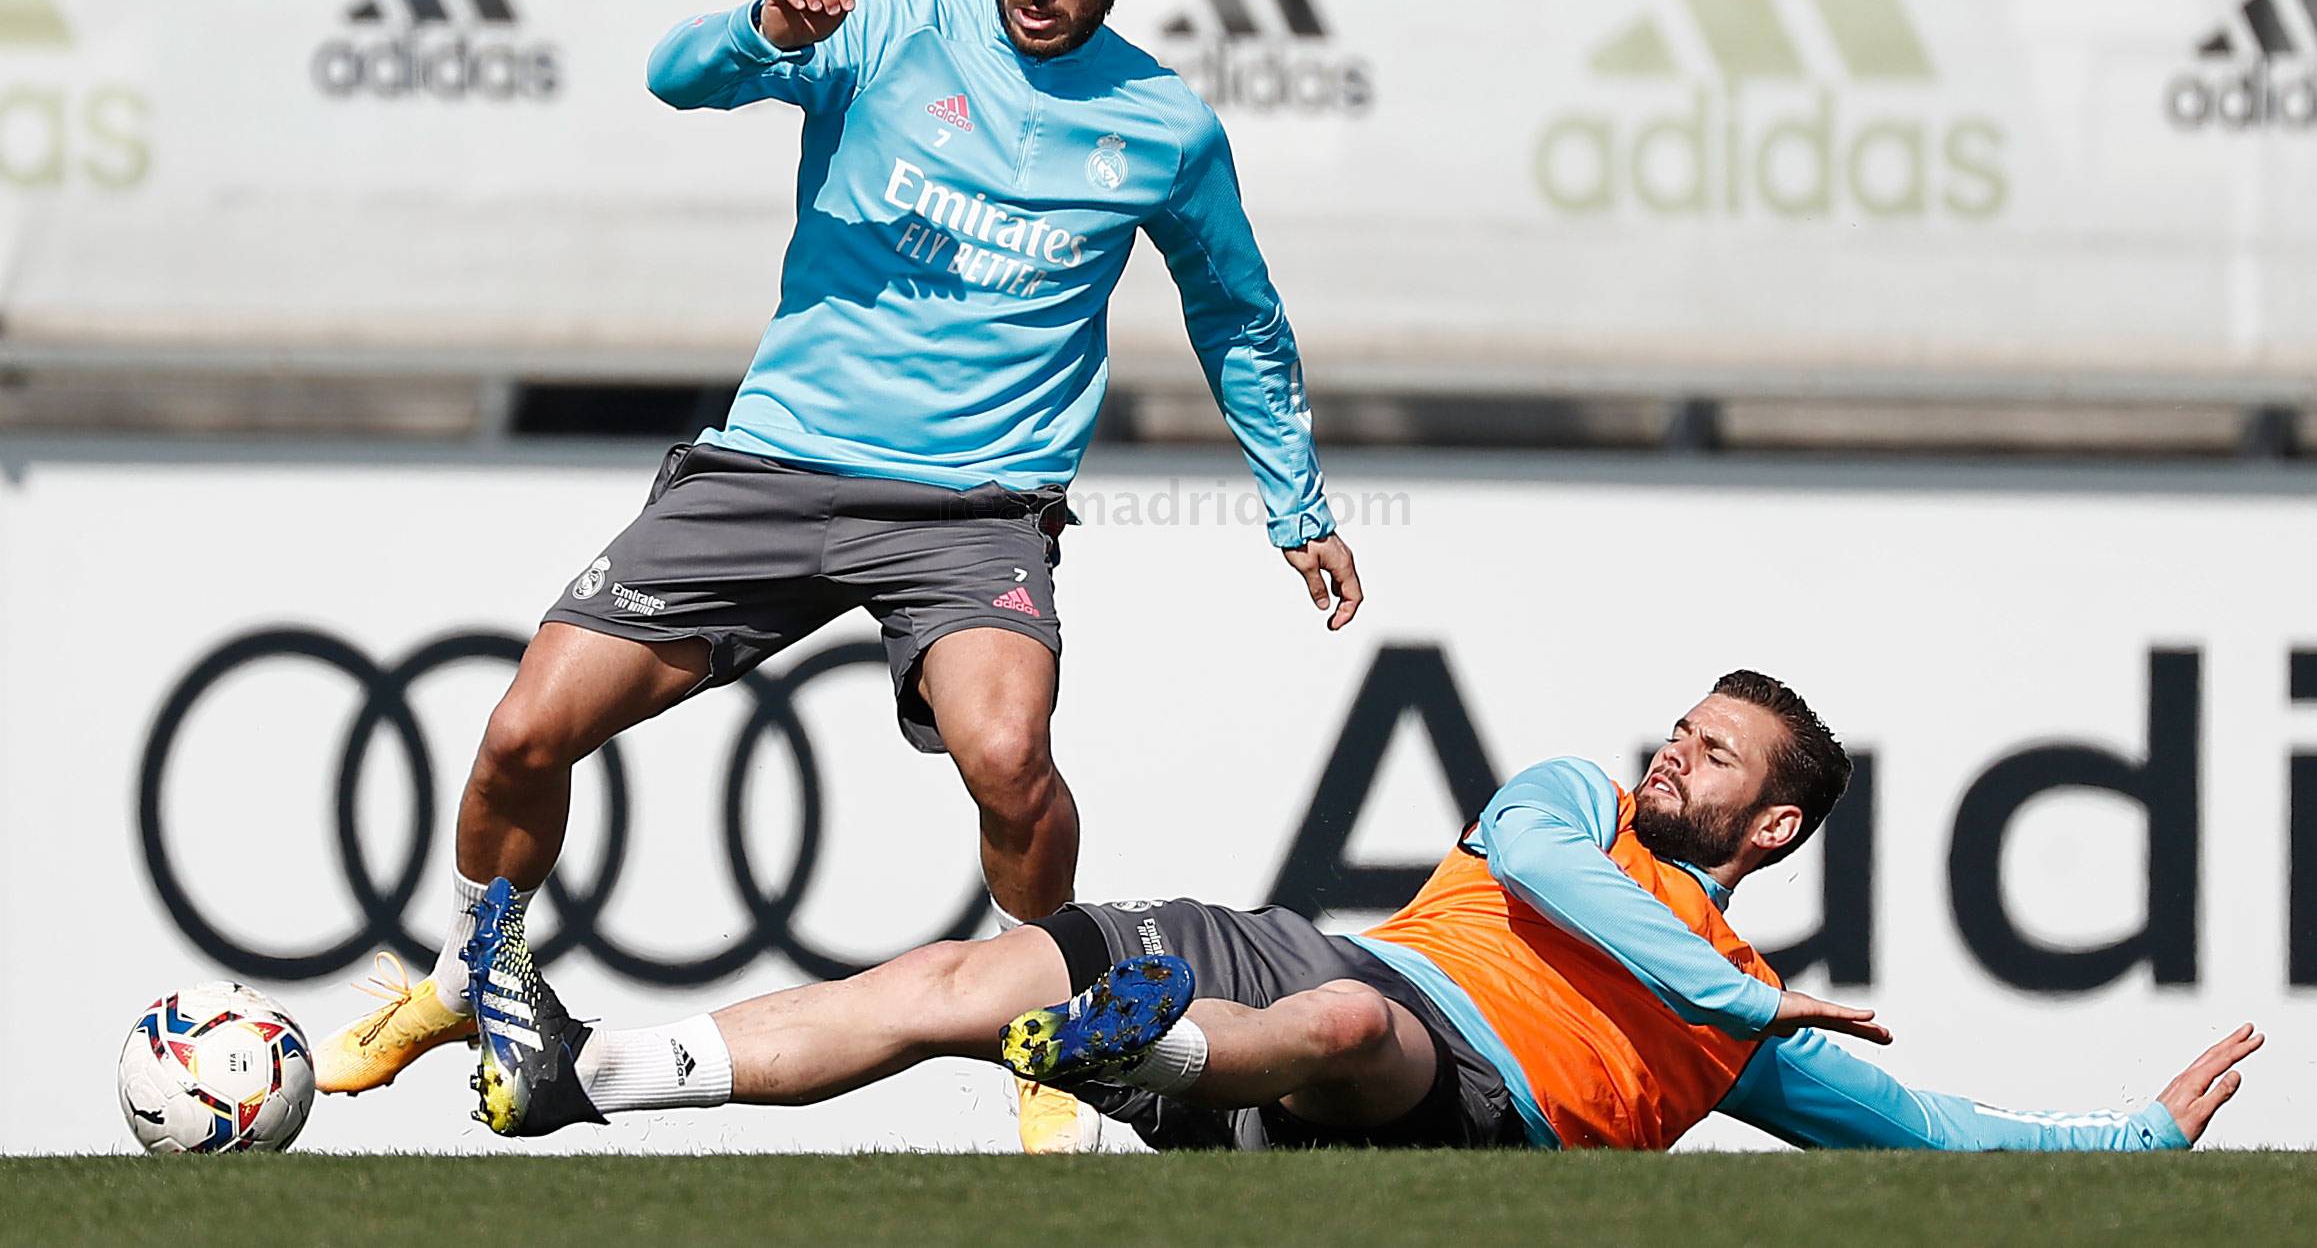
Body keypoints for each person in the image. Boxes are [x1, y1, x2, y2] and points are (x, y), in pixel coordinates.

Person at [313, 0, 1363, 1155]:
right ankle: (471, 975)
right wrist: (762, 30)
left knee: (1009, 759)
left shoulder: (1161, 129)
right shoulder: (878, 32)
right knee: (523, 732)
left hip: (977, 508)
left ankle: (1046, 1039)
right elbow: (673, 78)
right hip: (777, 468)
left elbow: (1237, 314)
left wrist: (1298, 504)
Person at [455, 669, 2262, 1152]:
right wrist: (1724, 998)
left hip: (1448, 1100)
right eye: (1682, 727)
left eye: (1713, 759)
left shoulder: (1740, 1025)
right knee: (953, 972)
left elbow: (1925, 1129)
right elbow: (1551, 878)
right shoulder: (1570, 805)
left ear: (1772, 823)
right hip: (1313, 946)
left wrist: (2138, 1137)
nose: (1672, 755)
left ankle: (1149, 1051)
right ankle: (593, 1073)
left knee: (1343, 1040)